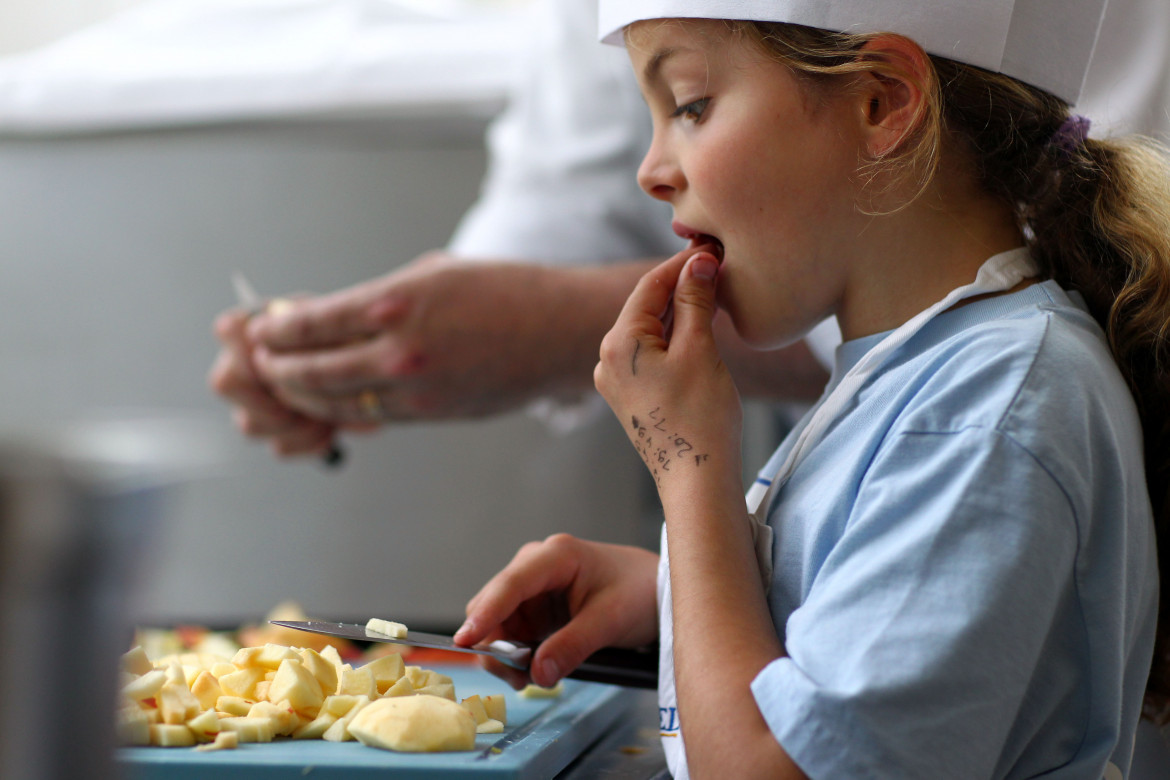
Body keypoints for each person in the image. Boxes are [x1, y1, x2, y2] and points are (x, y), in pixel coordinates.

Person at [453, 1, 1170, 778]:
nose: (652, 171)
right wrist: (667, 596)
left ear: (882, 102)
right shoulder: (913, 375)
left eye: (691, 105)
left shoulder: (987, 412)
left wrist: (688, 470)